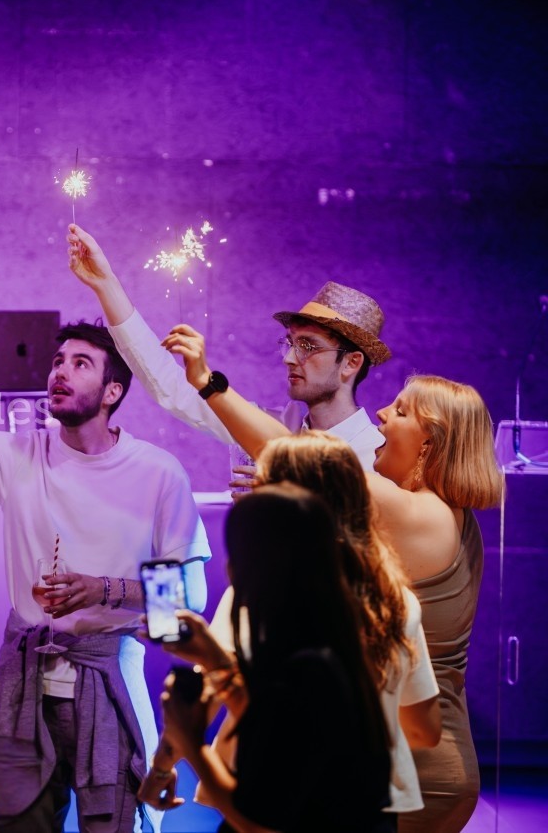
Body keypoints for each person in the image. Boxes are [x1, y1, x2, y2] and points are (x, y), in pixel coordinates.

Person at [0, 279, 210, 833]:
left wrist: (104, 590)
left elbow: (190, 598)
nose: (60, 371)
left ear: (112, 392)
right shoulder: (18, 454)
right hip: (23, 684)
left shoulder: (157, 473)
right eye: (58, 361)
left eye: (81, 364)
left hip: (109, 681)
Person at [162, 324, 503, 833]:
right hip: (413, 754)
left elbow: (305, 460)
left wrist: (207, 382)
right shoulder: (444, 516)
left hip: (417, 767)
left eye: (401, 411)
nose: (382, 413)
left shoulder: (426, 516)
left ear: (429, 443)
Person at [138, 432, 441, 823]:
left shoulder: (258, 600)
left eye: (263, 487)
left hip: (263, 797)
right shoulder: (396, 601)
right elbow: (423, 731)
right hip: (371, 806)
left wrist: (165, 765)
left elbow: (209, 703)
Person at [159, 485, 395, 833]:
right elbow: (281, 734)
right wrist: (214, 660)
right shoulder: (329, 642)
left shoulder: (306, 672)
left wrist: (192, 743)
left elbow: (260, 823)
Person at [66, 224, 389, 475]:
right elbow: (170, 386)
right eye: (290, 344)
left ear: (351, 363)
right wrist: (106, 284)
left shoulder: (382, 454)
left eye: (308, 346)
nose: (290, 359)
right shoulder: (271, 428)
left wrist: (282, 493)